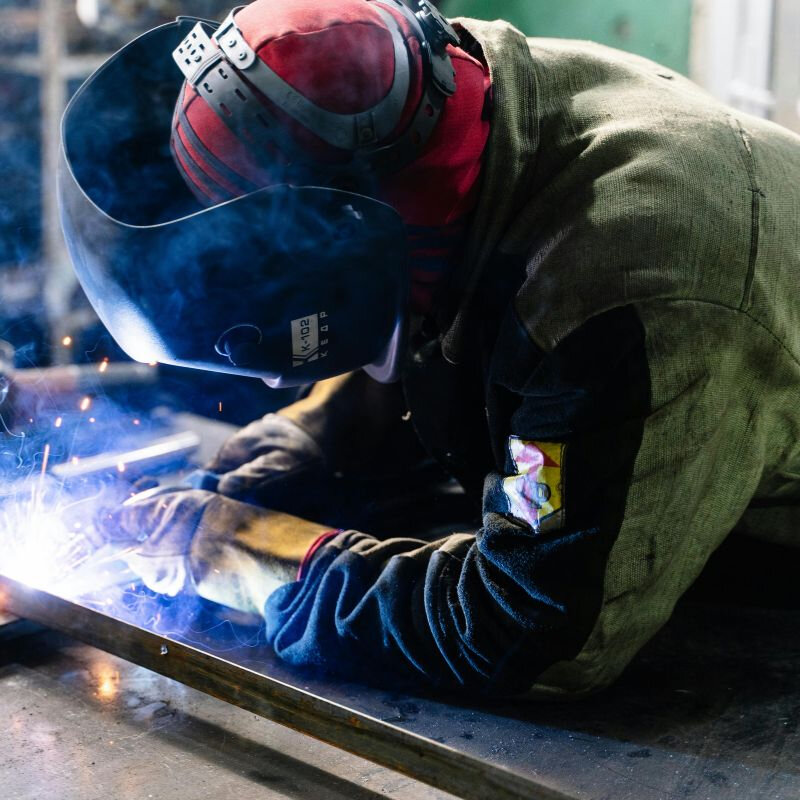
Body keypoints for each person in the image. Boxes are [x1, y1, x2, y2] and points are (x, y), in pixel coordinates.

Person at [60, 0, 800, 696]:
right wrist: (322, 433)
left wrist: (242, 549)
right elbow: (455, 290)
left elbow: (527, 631)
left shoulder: (632, 294)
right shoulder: (436, 97)